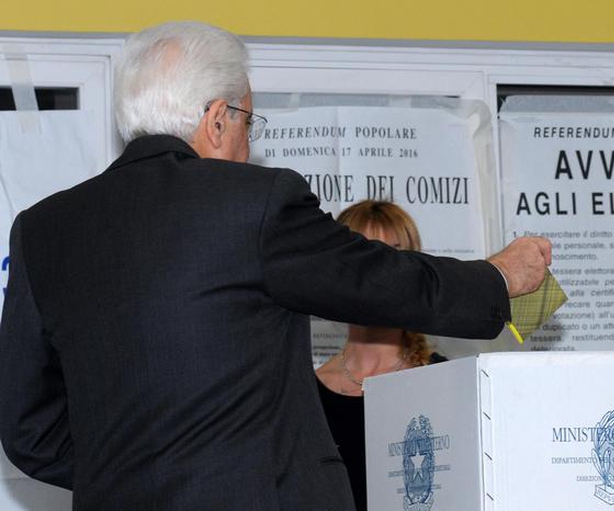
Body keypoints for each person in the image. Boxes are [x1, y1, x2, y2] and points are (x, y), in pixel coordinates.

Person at [0, 21, 551, 511]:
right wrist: (499, 277)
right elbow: (378, 279)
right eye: (246, 119)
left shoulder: (42, 229)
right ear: (217, 119)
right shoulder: (252, 203)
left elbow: (29, 432)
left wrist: (132, 475)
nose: (246, 140)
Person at [316, 200, 448, 511]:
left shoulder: (444, 382)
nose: (381, 275)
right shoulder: (307, 396)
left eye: (395, 257)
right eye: (365, 256)